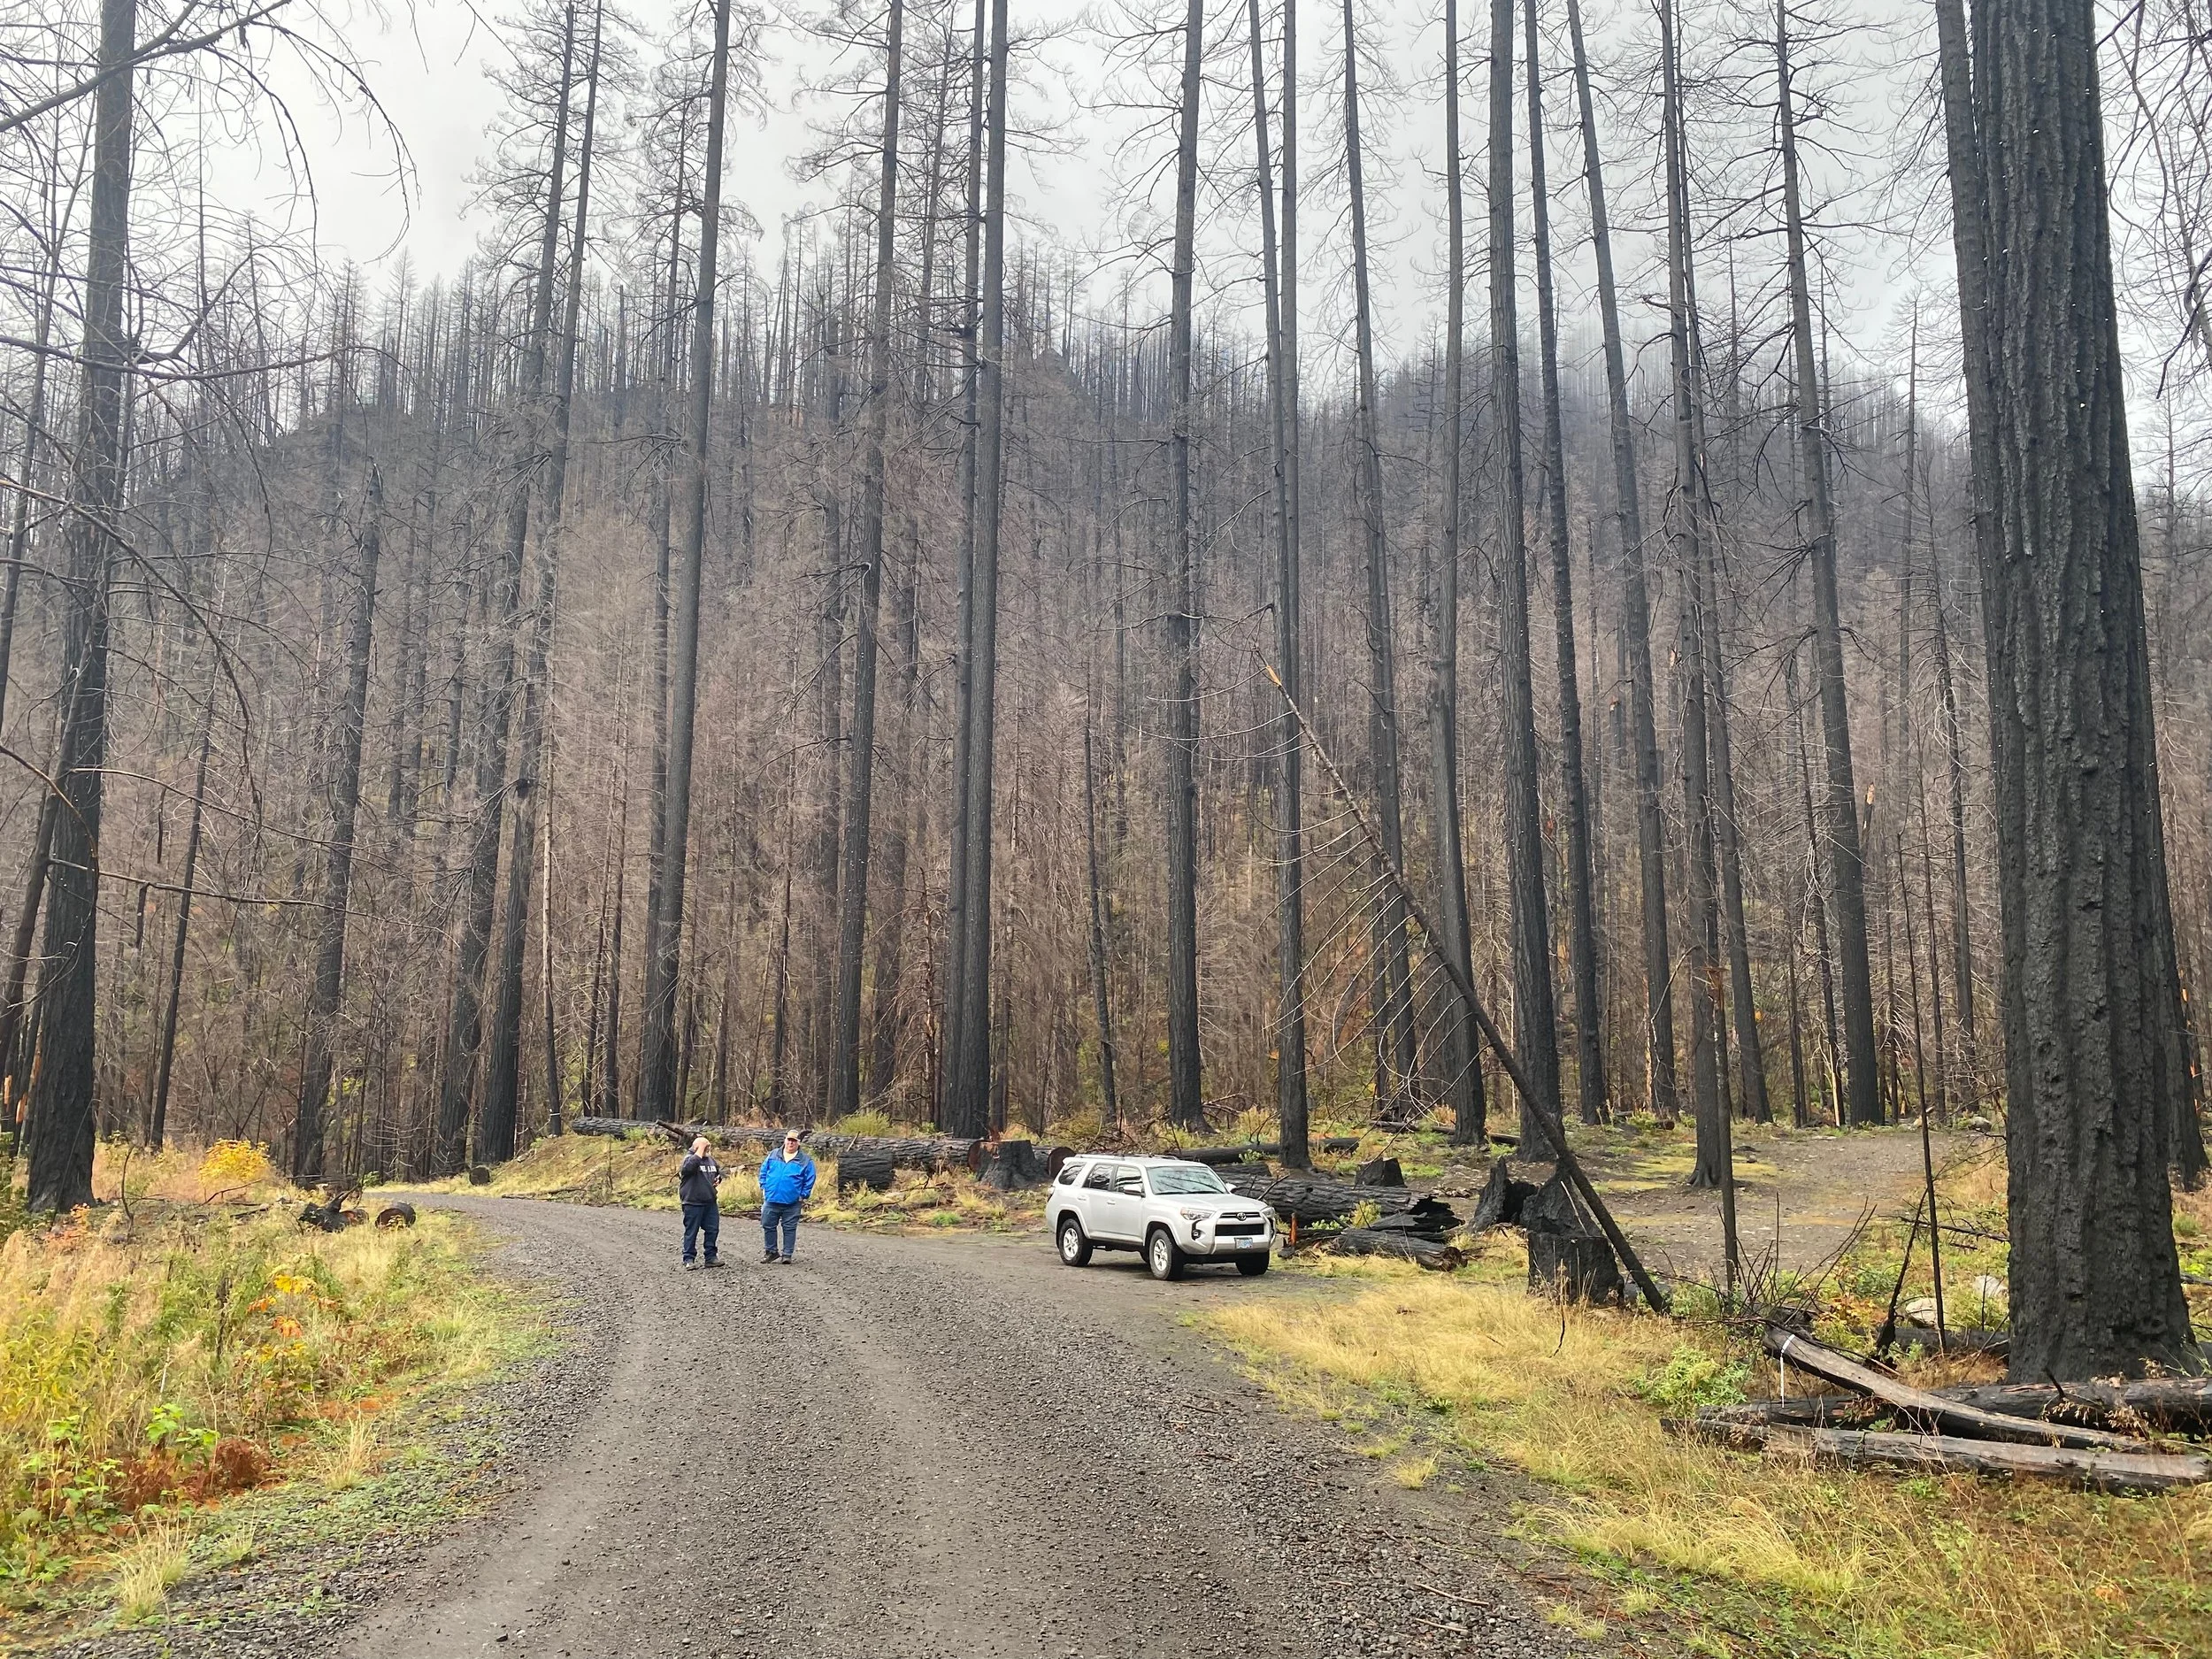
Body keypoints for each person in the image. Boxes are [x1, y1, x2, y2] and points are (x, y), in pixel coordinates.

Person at [757, 1130, 817, 1263]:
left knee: (789, 1228)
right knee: (767, 1225)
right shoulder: (773, 1154)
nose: (791, 1143)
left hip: (792, 1202)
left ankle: (787, 1254)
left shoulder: (805, 1160)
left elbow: (810, 1178)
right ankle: (771, 1252)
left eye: (794, 1141)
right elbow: (763, 1171)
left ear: (798, 1143)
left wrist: (804, 1195)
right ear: (785, 1140)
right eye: (789, 1140)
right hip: (771, 1199)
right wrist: (763, 1186)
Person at [679, 1136, 725, 1269]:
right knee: (691, 1231)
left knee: (712, 1230)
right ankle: (688, 1259)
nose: (707, 1149)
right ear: (696, 1147)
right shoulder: (689, 1158)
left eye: (708, 1146)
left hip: (710, 1201)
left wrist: (718, 1179)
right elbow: (687, 1169)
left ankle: (711, 1257)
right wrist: (700, 1150)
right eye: (705, 1146)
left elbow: (717, 1172)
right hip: (692, 1202)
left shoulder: (710, 1159)